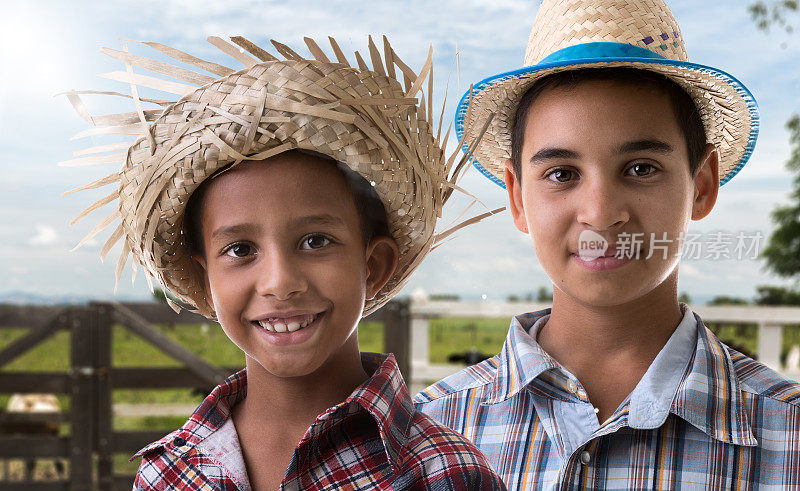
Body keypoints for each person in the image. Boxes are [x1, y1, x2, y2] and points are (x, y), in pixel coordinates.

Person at [62, 35, 505, 490]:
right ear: (203, 279)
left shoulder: (442, 474)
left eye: (315, 241)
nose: (279, 282)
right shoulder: (169, 476)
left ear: (373, 265)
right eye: (240, 250)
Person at [414, 0, 800, 489]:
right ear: (517, 198)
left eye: (641, 168)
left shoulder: (788, 435)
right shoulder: (426, 435)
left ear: (701, 185)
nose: (599, 213)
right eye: (561, 174)